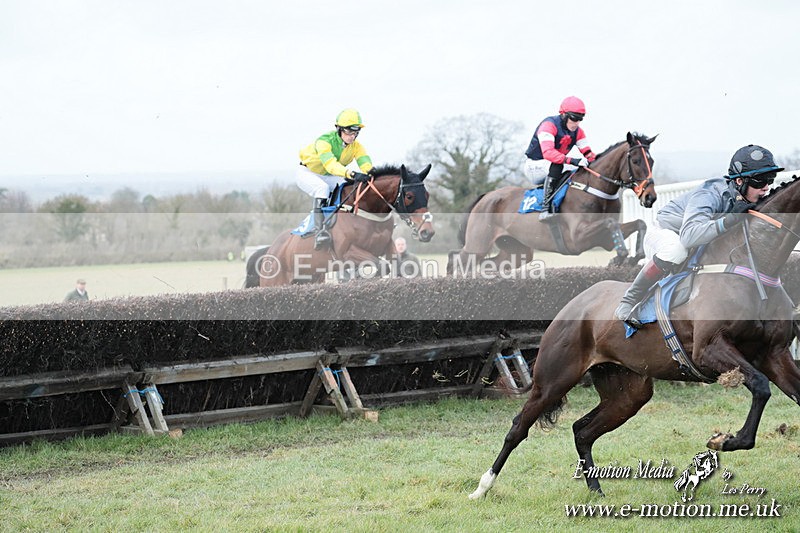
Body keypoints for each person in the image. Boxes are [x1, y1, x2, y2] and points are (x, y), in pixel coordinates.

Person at [614, 144, 784, 327]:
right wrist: (728, 220)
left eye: (770, 179)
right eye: (759, 181)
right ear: (740, 181)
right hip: (665, 232)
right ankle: (628, 301)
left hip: (694, 236)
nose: (766, 187)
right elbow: (689, 237)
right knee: (676, 250)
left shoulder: (745, 197)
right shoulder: (709, 194)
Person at [297, 108, 374, 249]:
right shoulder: (324, 141)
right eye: (349, 131)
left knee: (348, 187)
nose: (352, 136)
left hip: (328, 175)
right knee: (322, 189)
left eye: (355, 132)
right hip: (308, 173)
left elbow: (365, 163)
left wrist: (373, 174)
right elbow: (331, 166)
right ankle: (320, 232)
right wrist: (352, 174)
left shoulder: (356, 146)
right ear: (339, 129)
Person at [523, 96, 597, 222]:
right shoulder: (548, 125)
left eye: (580, 119)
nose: (577, 123)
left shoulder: (578, 132)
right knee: (559, 164)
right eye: (574, 118)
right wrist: (572, 160)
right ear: (563, 115)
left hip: (553, 165)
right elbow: (548, 153)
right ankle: (545, 208)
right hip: (535, 166)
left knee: (580, 169)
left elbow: (588, 153)